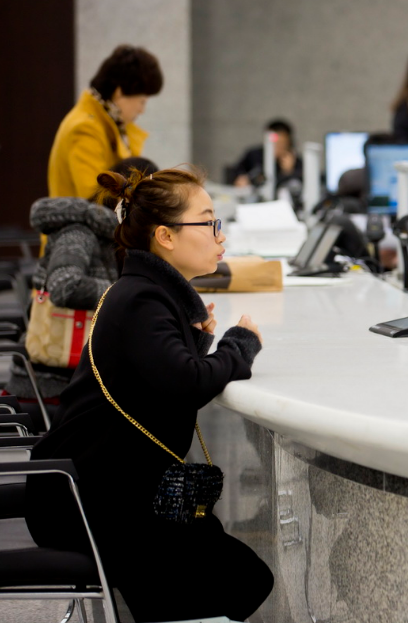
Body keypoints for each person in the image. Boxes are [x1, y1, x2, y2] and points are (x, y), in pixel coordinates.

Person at [26, 166, 274, 621]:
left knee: (238, 577)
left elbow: (157, 381)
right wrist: (239, 344)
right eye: (209, 222)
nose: (220, 235)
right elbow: (186, 382)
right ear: (165, 236)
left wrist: (197, 341)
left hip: (116, 488)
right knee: (236, 579)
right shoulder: (143, 298)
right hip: (90, 499)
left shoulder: (145, 292)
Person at [4, 157, 159, 408]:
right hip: (52, 384)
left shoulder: (116, 236)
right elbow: (65, 287)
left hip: (85, 377)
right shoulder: (79, 232)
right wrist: (128, 293)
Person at [47, 45, 163, 199]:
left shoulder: (109, 124)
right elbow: (95, 198)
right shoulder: (86, 128)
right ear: (119, 92)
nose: (142, 110)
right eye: (142, 101)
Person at [231, 118, 303, 189]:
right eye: (274, 144)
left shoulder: (296, 163)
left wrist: (289, 173)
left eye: (281, 144)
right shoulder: (254, 155)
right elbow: (236, 171)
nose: (277, 148)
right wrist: (241, 178)